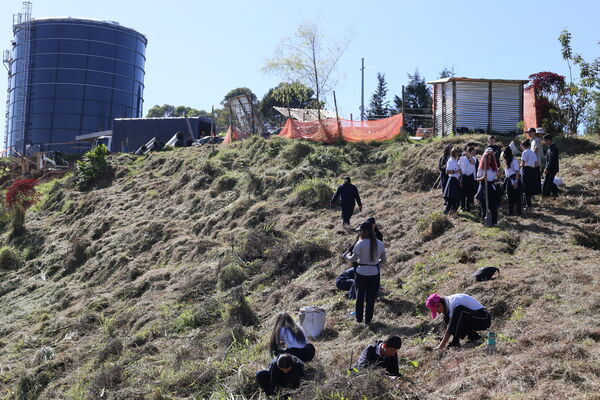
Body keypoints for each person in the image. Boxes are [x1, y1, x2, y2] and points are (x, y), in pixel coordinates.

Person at [345, 221, 386, 324]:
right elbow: (384, 260)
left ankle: (359, 320)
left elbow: (353, 259)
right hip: (374, 274)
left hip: (361, 273)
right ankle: (368, 320)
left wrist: (346, 256)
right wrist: (375, 264)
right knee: (370, 298)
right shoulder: (380, 244)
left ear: (363, 232)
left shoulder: (360, 244)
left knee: (360, 297)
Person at [425, 293, 491, 349]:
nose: (438, 313)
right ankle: (473, 337)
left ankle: (455, 341)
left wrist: (441, 346)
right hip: (473, 317)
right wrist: (443, 340)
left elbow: (450, 327)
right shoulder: (447, 303)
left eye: (437, 311)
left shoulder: (452, 303)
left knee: (459, 310)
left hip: (484, 318)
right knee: (447, 317)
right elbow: (451, 325)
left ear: (439, 305)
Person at [476, 148, 499, 226]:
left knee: (493, 206)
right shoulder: (481, 168)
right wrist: (483, 177)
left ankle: (494, 222)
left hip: (491, 187)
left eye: (490, 159)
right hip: (483, 186)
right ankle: (484, 221)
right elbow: (477, 179)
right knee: (484, 206)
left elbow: (494, 178)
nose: (488, 160)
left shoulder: (493, 168)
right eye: (486, 159)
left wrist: (495, 180)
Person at [520, 139, 540, 210]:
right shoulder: (532, 152)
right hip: (533, 170)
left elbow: (523, 164)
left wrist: (519, 166)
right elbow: (536, 163)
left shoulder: (524, 152)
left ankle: (527, 205)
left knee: (525, 188)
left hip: (526, 170)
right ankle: (529, 205)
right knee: (530, 188)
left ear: (523, 145)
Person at [503, 146, 522, 216]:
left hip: (514, 179)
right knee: (509, 196)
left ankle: (519, 212)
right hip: (509, 180)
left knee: (517, 197)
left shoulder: (514, 161)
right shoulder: (507, 161)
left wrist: (516, 182)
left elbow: (517, 172)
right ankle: (510, 212)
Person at [443, 147, 462, 215]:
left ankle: (451, 211)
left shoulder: (455, 161)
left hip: (456, 180)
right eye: (456, 153)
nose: (458, 154)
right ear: (454, 153)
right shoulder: (450, 161)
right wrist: (456, 171)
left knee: (454, 198)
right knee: (453, 198)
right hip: (452, 180)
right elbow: (447, 171)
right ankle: (449, 211)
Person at [459, 146, 478, 212]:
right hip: (464, 177)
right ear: (468, 152)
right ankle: (462, 207)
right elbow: (459, 167)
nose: (474, 153)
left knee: (470, 193)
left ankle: (469, 208)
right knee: (463, 193)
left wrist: (470, 156)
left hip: (471, 177)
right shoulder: (461, 159)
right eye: (472, 152)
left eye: (474, 152)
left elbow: (473, 162)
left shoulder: (474, 158)